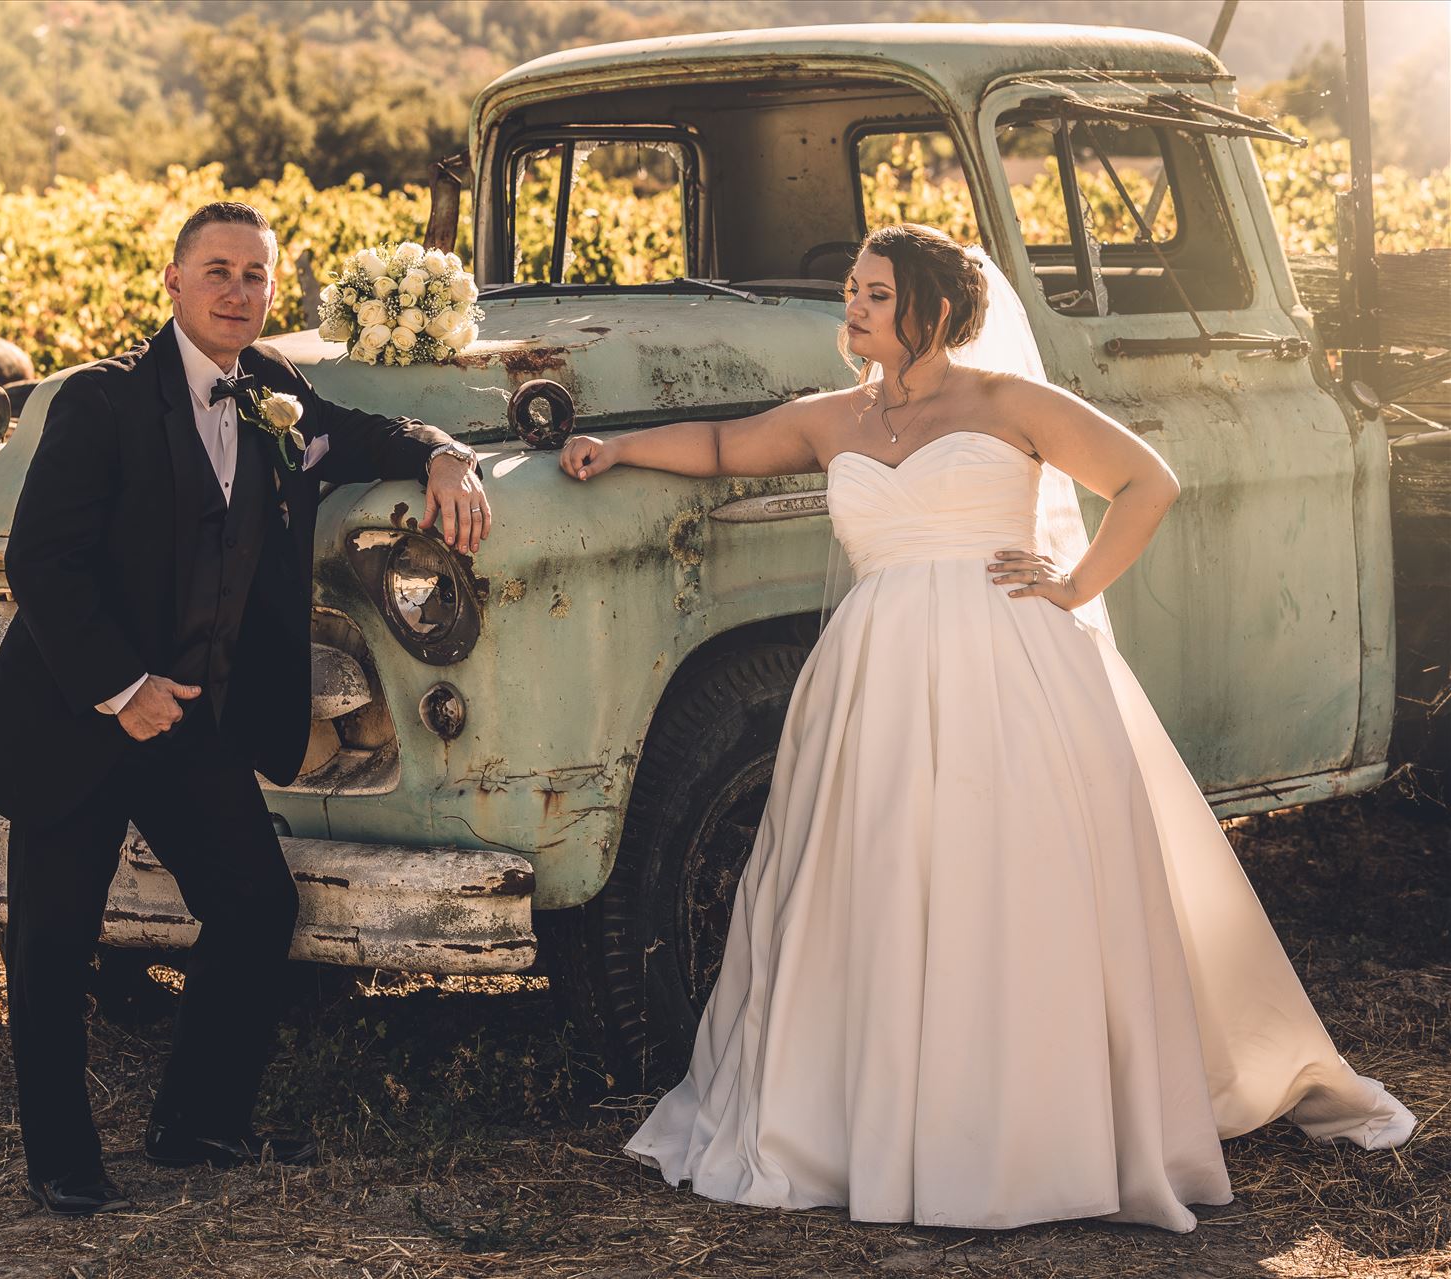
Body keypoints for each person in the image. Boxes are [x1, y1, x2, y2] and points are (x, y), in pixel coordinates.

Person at [559, 223, 1413, 1232]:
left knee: (1008, 878)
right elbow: (715, 447)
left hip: (1007, 667)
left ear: (929, 307)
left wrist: (1074, 583)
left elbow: (1147, 482)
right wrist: (611, 446)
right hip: (872, 678)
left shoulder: (1008, 402)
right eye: (852, 289)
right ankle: (882, 1116)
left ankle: (1031, 1126)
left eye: (874, 293)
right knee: (879, 879)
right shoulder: (835, 416)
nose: (853, 306)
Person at [0, 202, 491, 1216]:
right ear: (171, 282)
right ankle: (63, 1159)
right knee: (52, 940)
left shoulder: (272, 392)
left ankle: (197, 1122)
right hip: (84, 713)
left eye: (254, 275)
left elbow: (359, 432)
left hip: (189, 721)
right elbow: (44, 561)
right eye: (216, 270)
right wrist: (122, 687)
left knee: (254, 904)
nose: (236, 291)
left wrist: (440, 454)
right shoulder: (100, 400)